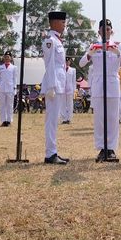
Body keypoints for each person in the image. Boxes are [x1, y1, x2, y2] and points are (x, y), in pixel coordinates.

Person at [80, 18, 121, 161]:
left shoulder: (118, 46)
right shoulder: (94, 46)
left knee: (112, 117)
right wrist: (89, 54)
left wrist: (117, 52)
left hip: (112, 84)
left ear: (112, 31)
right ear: (99, 31)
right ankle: (101, 148)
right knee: (99, 119)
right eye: (103, 30)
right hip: (98, 84)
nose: (106, 32)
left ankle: (111, 148)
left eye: (108, 29)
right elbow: (81, 62)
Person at [41, 11, 69, 165]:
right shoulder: (50, 40)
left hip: (58, 84)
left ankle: (53, 151)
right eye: (62, 22)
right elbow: (50, 64)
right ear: (54, 22)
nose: (64, 25)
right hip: (53, 85)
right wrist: (51, 85)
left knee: (54, 119)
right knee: (51, 120)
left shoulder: (57, 40)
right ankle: (50, 154)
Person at [0, 51, 18, 127]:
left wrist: (15, 88)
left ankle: (9, 120)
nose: (7, 58)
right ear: (4, 58)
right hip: (2, 88)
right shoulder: (0, 67)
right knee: (2, 105)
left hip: (10, 88)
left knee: (9, 105)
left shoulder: (14, 67)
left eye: (8, 57)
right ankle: (3, 121)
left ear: (11, 58)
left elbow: (15, 78)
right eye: (5, 57)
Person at [60, 59, 77, 125]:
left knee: (70, 104)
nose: (67, 62)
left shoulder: (73, 70)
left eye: (68, 61)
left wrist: (74, 90)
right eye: (66, 61)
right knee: (63, 104)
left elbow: (74, 81)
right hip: (62, 89)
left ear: (70, 62)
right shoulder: (61, 69)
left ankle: (69, 118)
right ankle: (64, 119)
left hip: (70, 89)